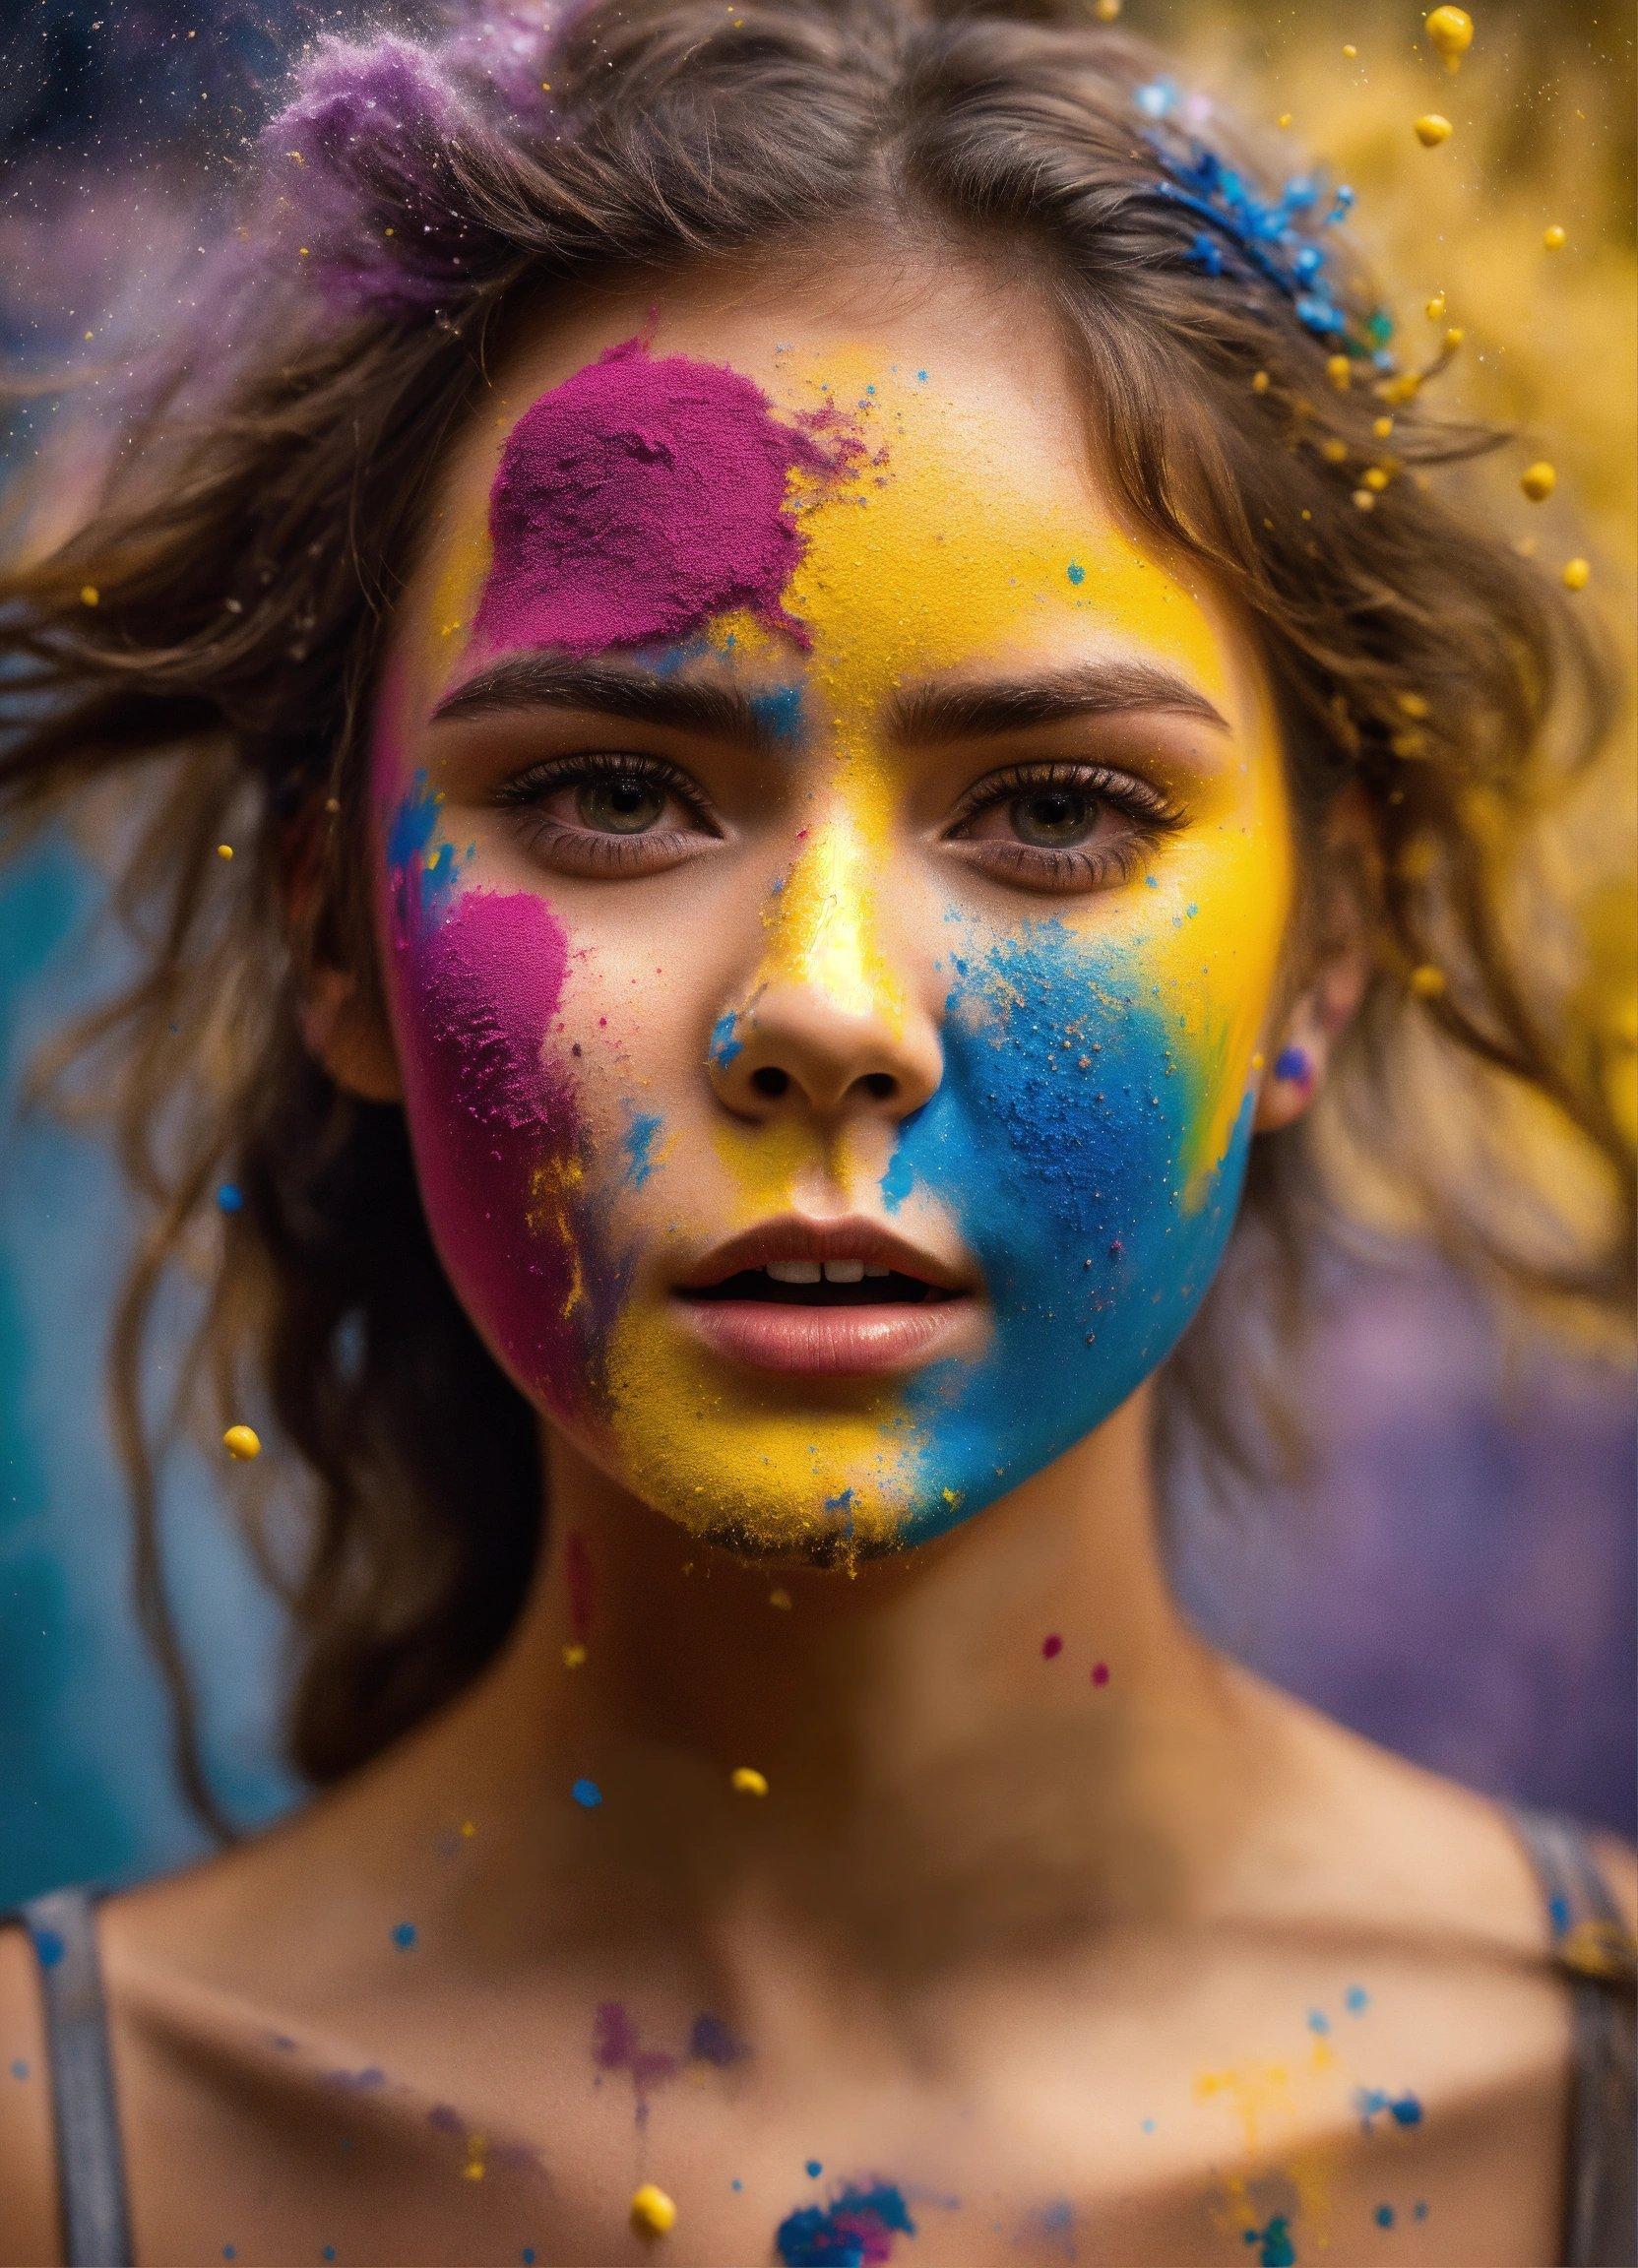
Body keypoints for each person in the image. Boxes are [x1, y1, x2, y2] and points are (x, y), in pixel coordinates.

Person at [0, 1, 1632, 2261]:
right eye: (612, 792)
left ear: (1320, 951)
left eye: (1057, 810)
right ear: (332, 934)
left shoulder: (1587, 2105)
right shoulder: (63, 2150)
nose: (822, 1013)